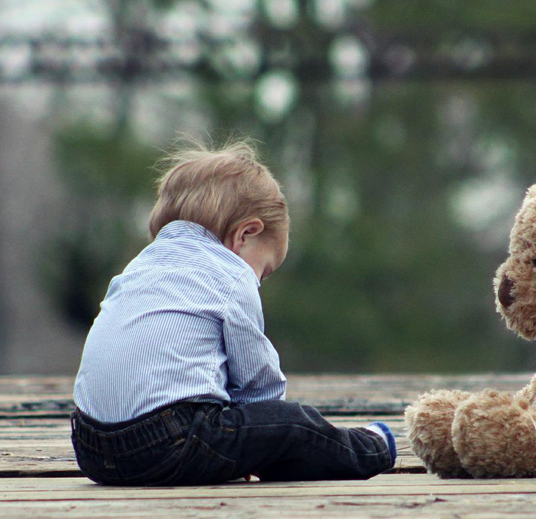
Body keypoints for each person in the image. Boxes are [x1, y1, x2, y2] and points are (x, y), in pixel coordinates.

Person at [70, 140, 396, 486]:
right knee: (295, 425)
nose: (259, 281)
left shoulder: (138, 267)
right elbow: (258, 384)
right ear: (246, 234)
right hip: (167, 443)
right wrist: (265, 436)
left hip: (90, 447)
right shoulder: (231, 273)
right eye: (265, 271)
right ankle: (372, 447)